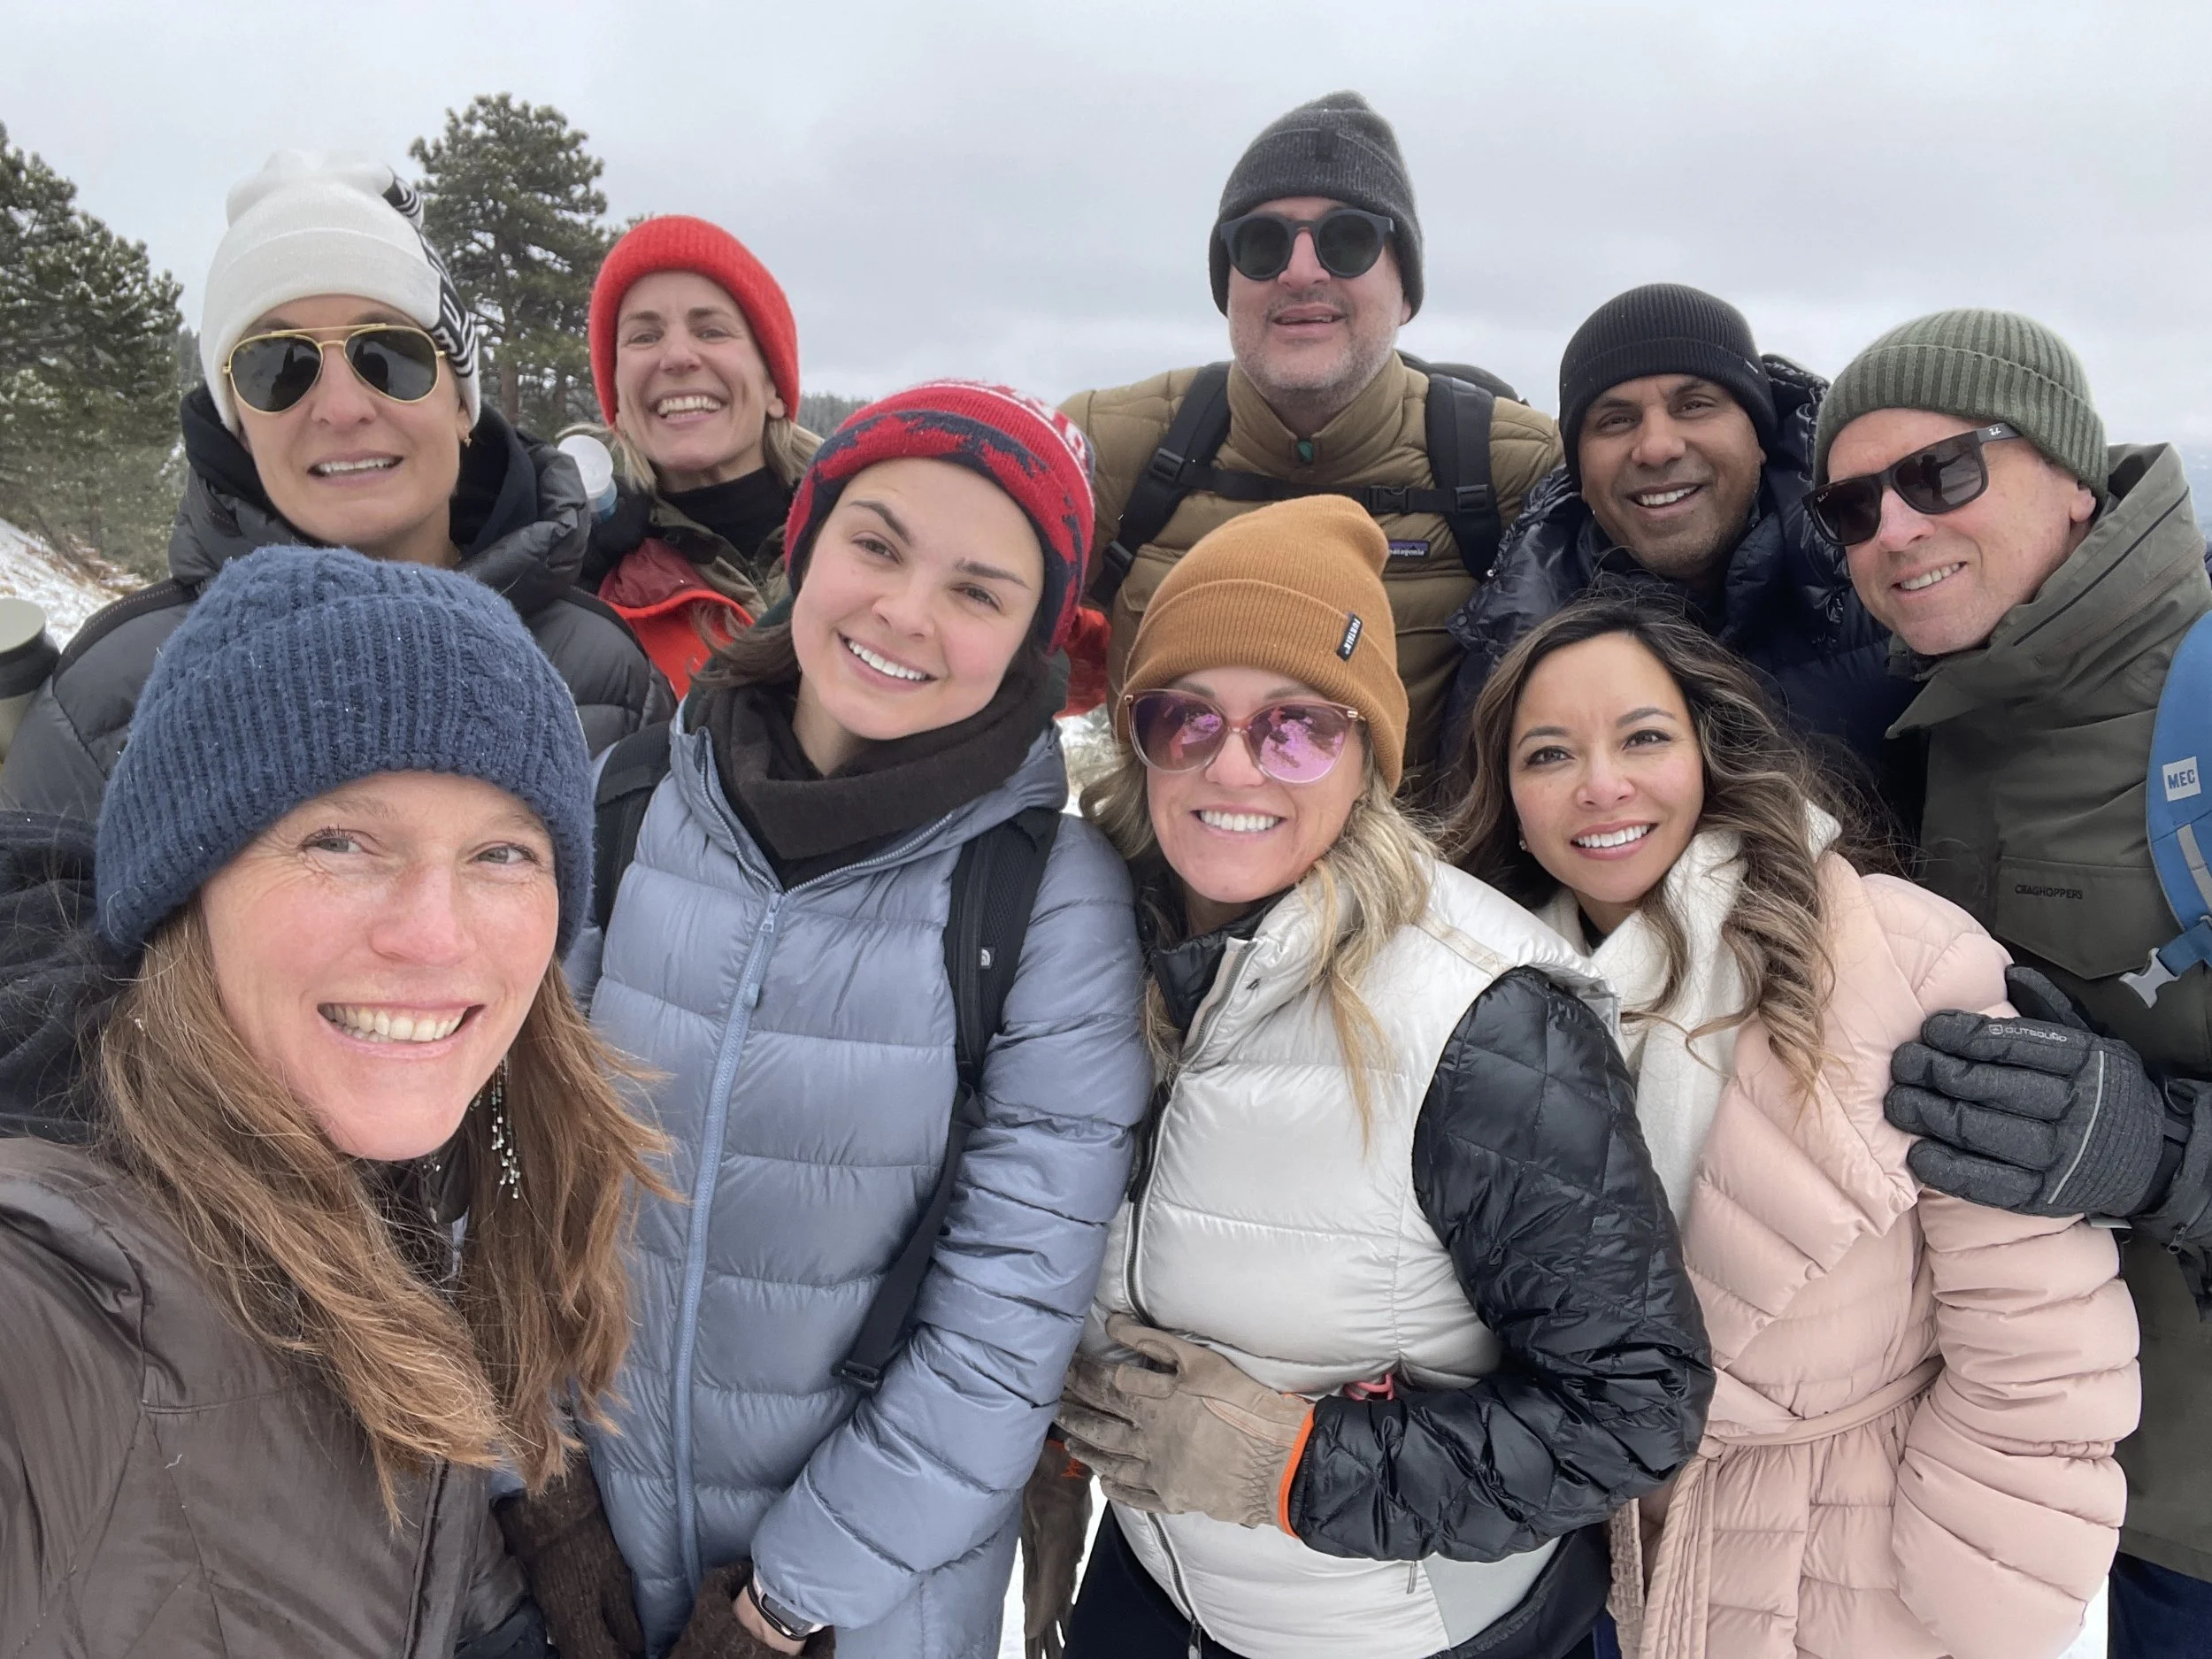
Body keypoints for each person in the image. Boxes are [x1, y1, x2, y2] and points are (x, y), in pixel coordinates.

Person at [492, 382, 1152, 1659]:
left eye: (979, 588)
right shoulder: (631, 799)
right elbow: (506, 1140)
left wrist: (780, 1606)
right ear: (808, 542)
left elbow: (1006, 1316)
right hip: (573, 1557)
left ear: (1031, 640)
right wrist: (543, 1482)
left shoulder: (1046, 896)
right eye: (878, 543)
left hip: (858, 1607)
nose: (906, 610)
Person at [1048, 496, 1711, 1659]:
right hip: (1155, 1597)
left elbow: (1635, 1406)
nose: (1236, 762)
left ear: (1366, 755)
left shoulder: (1482, 1019)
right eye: (1184, 718)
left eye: (1297, 726)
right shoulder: (1098, 951)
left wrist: (1294, 1463)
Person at [0, 544, 662, 1658]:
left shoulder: (407, 1188)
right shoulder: (52, 1302)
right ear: (184, 887)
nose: (434, 934)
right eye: (341, 841)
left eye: (502, 852)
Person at [1448, 596, 2138, 1659]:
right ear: (1511, 796)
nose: (1600, 785)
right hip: (1596, 1567)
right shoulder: (1474, 1004)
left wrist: (1968, 1595)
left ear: (1710, 750)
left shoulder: (1885, 955)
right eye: (1550, 754)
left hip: (1856, 1571)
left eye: (1642, 737)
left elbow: (2039, 1329)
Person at [1793, 311, 2212, 1656]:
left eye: (1945, 472)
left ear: (2074, 470)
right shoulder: (1951, 714)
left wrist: (2162, 1155)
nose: (1897, 529)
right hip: (2086, 1496)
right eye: (1854, 506)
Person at [0, 151, 667, 821]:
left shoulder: (608, 679)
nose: (341, 407)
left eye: (390, 356)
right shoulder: (103, 705)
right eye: (277, 366)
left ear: (462, 406)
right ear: (239, 428)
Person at [1061, 90, 1563, 779]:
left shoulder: (1517, 468)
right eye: (1262, 243)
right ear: (1227, 285)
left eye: (1348, 240)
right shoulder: (1107, 448)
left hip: (1427, 877)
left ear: (1407, 290)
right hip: (1167, 877)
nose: (1301, 272)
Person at [1442, 284, 1913, 810]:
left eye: (1694, 406)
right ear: (1578, 469)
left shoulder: (1887, 587)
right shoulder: (1511, 641)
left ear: (1759, 435)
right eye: (1616, 420)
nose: (1657, 446)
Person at [580, 214, 818, 694]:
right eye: (644, 336)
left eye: (711, 331)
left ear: (775, 386)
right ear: (620, 407)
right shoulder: (584, 595)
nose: (677, 357)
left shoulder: (872, 545)